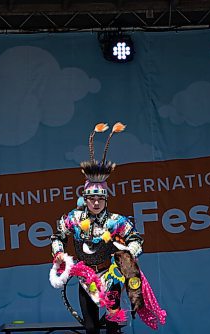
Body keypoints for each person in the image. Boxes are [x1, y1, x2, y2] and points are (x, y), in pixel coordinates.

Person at [50, 122, 144, 334]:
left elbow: (136, 239)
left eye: (100, 199)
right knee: (90, 327)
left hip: (110, 277)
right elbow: (58, 236)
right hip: (85, 279)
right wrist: (58, 254)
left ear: (106, 200)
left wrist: (129, 252)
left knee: (113, 325)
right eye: (91, 198)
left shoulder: (116, 221)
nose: (95, 203)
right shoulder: (73, 218)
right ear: (85, 198)